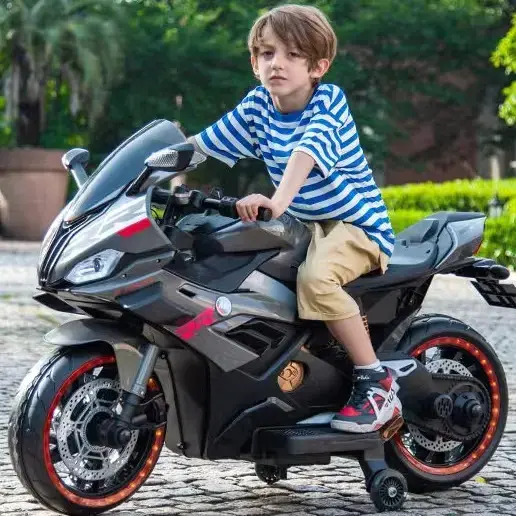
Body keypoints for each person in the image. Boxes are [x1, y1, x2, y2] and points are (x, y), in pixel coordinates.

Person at [188, 4, 401, 433]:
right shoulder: (258, 106)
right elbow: (202, 145)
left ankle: (376, 382)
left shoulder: (328, 101)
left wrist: (277, 200)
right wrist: (144, 170)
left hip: (354, 226)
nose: (276, 64)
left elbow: (308, 150)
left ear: (318, 66)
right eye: (267, 53)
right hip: (303, 225)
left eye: (292, 55)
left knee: (316, 279)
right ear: (254, 63)